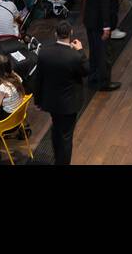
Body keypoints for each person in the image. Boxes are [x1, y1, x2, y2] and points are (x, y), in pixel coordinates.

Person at [34, 21, 88, 165]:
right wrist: (81, 51)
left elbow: (38, 78)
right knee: (66, 137)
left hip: (51, 102)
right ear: (71, 33)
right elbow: (86, 71)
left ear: (55, 34)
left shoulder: (44, 52)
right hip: (69, 104)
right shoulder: (74, 56)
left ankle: (58, 157)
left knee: (56, 130)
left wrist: (37, 101)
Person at [83, 0, 120, 90]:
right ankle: (105, 82)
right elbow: (105, 4)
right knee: (104, 53)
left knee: (93, 50)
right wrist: (106, 26)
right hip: (100, 22)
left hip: (90, 20)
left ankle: (93, 77)